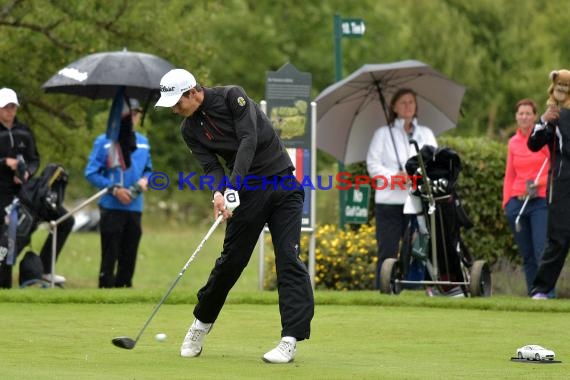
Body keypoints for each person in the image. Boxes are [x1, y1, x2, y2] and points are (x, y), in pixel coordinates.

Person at [155, 68, 314, 364]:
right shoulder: (189, 130)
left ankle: (290, 339)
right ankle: (200, 324)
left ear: (193, 92)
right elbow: (211, 167)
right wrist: (219, 191)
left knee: (288, 259)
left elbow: (248, 139)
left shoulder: (232, 96)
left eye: (178, 102)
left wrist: (233, 187)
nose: (175, 110)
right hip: (247, 194)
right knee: (231, 261)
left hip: (282, 185)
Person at [0, 87, 72, 287]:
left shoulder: (24, 131)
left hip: (26, 193)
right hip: (2, 196)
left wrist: (26, 172)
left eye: (12, 107)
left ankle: (47, 268)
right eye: (6, 107)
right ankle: (3, 287)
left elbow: (34, 159)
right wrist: (5, 163)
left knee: (65, 220)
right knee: (5, 245)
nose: (10, 111)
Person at [366, 88, 437, 290]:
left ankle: (412, 288)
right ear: (394, 107)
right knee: (387, 249)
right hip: (388, 202)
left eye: (411, 102)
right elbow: (373, 165)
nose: (408, 106)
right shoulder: (382, 134)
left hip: (415, 201)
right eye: (403, 103)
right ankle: (384, 288)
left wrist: (414, 176)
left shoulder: (426, 134)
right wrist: (394, 177)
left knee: (414, 248)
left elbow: (432, 162)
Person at [85, 98, 152, 288]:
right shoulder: (105, 141)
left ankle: (124, 291)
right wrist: (114, 188)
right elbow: (91, 172)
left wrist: (145, 180)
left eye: (136, 114)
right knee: (109, 256)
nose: (133, 118)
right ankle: (105, 291)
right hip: (111, 207)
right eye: (129, 114)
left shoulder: (143, 142)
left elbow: (148, 169)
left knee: (129, 256)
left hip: (134, 206)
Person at [502, 99, 551, 296]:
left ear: (534, 116)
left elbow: (553, 169)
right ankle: (533, 293)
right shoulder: (513, 142)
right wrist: (506, 203)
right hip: (516, 203)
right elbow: (509, 175)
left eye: (528, 113)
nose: (524, 117)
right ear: (516, 117)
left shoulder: (543, 139)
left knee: (541, 250)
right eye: (520, 113)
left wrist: (538, 183)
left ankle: (547, 292)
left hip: (539, 201)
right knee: (527, 254)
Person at [528, 103, 570, 299]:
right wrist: (544, 120)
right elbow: (534, 144)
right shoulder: (557, 113)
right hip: (562, 182)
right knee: (558, 238)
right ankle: (541, 290)